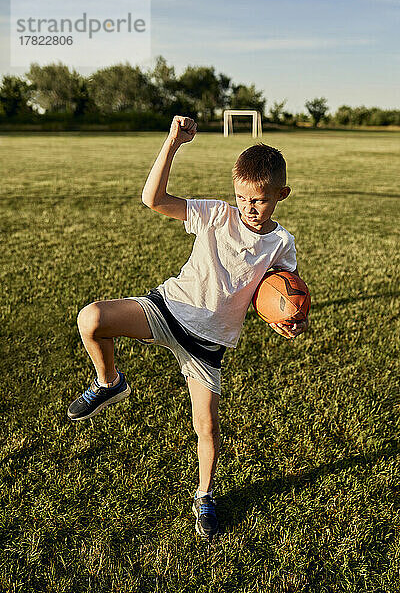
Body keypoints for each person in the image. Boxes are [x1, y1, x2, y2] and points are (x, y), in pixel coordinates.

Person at [67, 116, 309, 541]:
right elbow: (153, 199)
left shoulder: (281, 244)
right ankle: (109, 381)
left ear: (281, 195)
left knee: (207, 429)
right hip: (169, 308)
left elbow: (275, 297)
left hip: (208, 344)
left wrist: (285, 322)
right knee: (92, 318)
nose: (249, 208)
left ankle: (204, 496)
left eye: (259, 200)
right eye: (241, 197)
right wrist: (173, 142)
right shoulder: (216, 215)